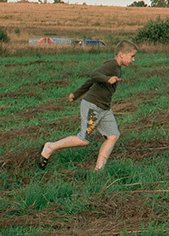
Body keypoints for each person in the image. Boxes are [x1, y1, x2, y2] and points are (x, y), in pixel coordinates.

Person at [40, 40, 137, 171]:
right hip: (93, 107)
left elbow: (92, 81)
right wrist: (107, 79)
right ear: (121, 54)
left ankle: (98, 170)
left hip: (104, 108)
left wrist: (75, 94)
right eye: (132, 56)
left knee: (113, 136)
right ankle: (50, 147)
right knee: (84, 140)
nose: (133, 59)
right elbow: (94, 74)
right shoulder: (111, 65)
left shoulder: (117, 68)